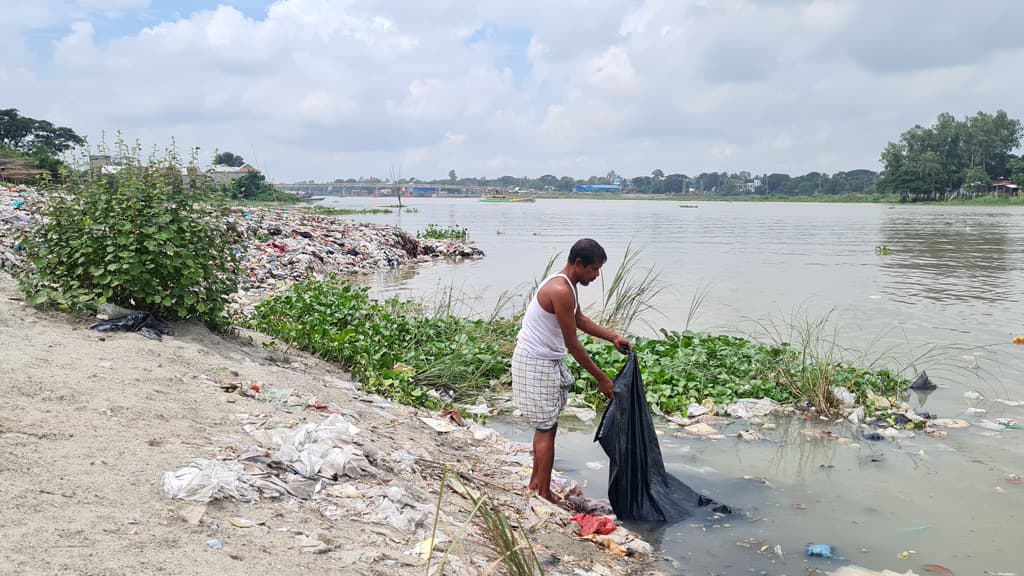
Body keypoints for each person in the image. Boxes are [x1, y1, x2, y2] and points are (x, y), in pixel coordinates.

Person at [511, 238, 630, 504]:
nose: (596, 276)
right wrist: (602, 379)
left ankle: (535, 483)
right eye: (594, 270)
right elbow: (573, 345)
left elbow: (580, 320)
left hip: (545, 360)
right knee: (545, 429)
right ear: (579, 264)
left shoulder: (568, 285)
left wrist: (612, 337)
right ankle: (542, 492)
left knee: (549, 427)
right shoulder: (560, 289)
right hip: (535, 362)